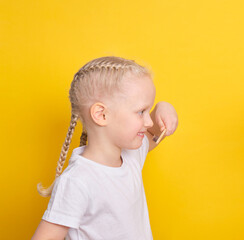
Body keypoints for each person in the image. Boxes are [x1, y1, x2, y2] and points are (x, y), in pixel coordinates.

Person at [32, 56, 178, 240]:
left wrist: (164, 107)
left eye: (148, 112)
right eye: (141, 112)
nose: (149, 122)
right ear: (101, 115)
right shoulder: (77, 181)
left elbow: (157, 130)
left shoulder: (131, 156)